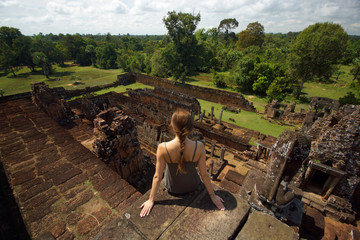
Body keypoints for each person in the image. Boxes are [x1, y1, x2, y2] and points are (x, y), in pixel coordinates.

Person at [140, 109, 225, 217]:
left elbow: (157, 176)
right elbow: (204, 174)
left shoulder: (163, 147)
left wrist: (151, 200)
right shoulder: (199, 146)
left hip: (172, 188)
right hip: (193, 185)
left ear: (172, 126)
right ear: (191, 128)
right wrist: (213, 195)